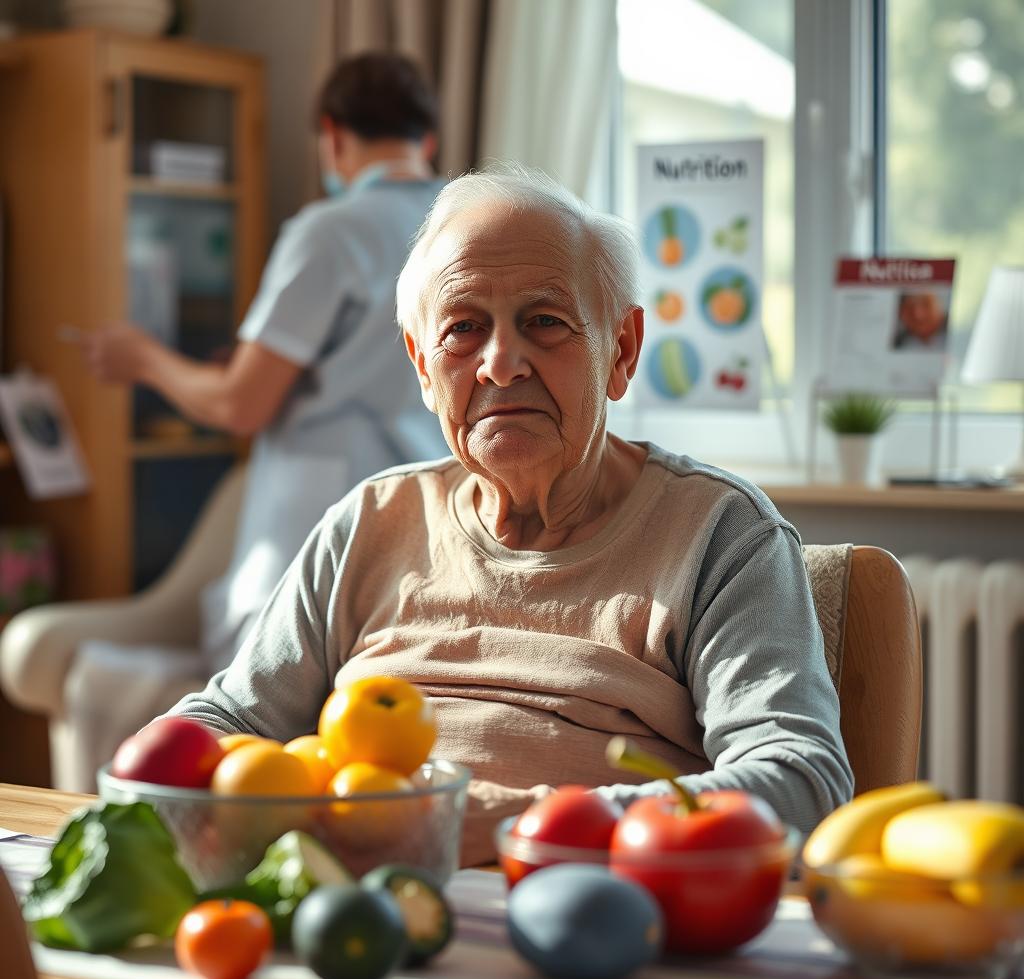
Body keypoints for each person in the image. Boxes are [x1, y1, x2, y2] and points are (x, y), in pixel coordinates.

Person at [165, 166, 853, 864]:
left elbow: (801, 781)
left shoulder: (720, 534)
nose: (500, 364)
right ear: (423, 369)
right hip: (353, 922)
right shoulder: (368, 522)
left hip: (594, 925)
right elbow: (228, 719)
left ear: (621, 348)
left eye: (544, 322)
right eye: (463, 328)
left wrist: (524, 823)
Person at [67, 53, 449, 674]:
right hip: (429, 530)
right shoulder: (465, 224)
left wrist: (145, 359)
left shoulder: (331, 232)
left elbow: (240, 405)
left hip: (321, 528)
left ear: (332, 135)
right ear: (427, 139)